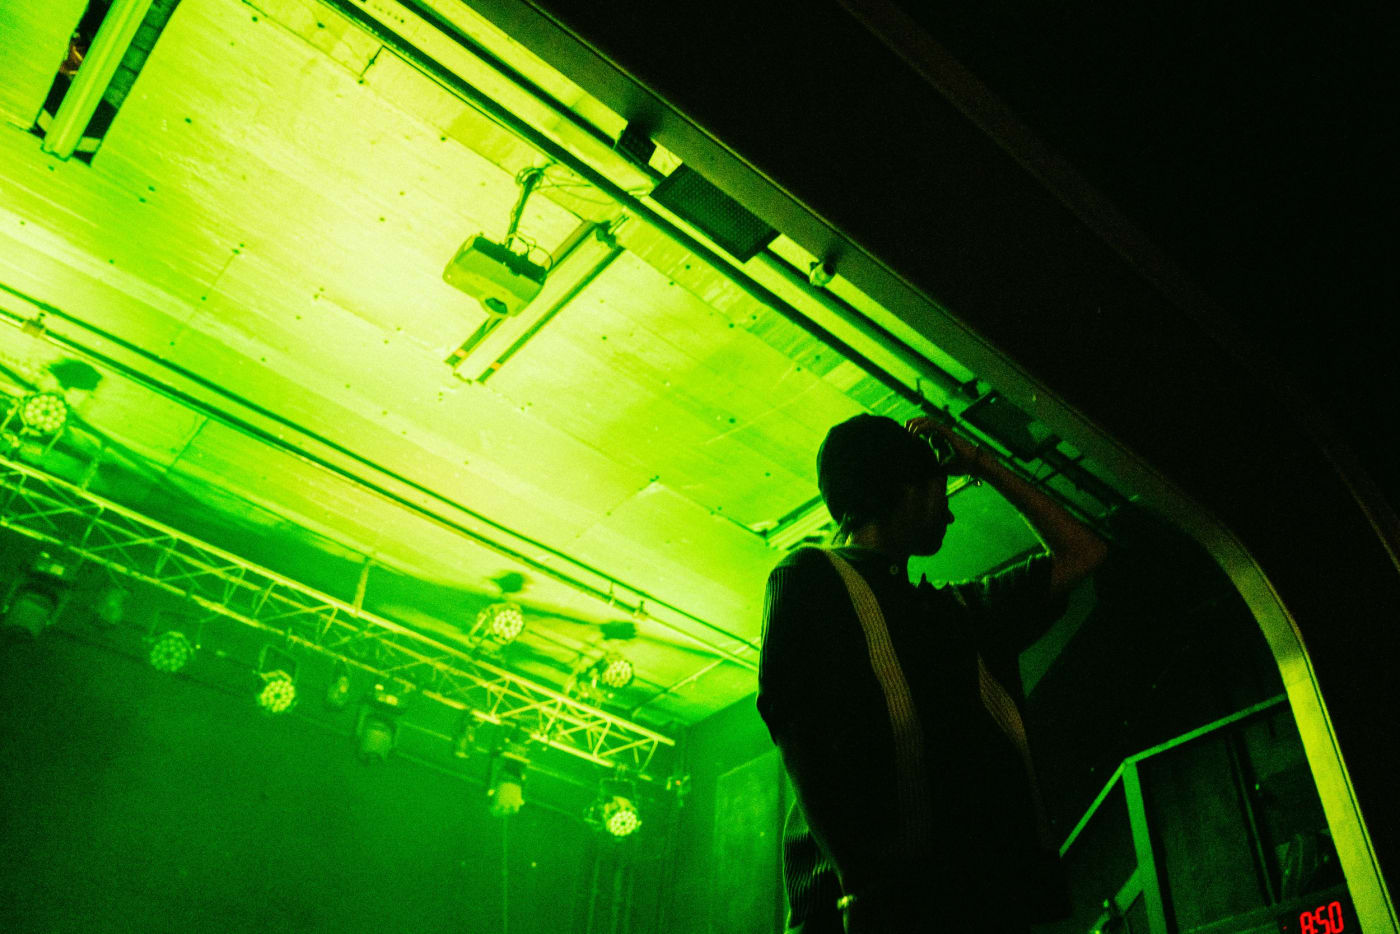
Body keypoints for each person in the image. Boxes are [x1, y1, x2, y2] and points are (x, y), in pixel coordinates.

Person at [758, 413, 1107, 933]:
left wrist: (981, 462)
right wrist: (858, 888)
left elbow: (1084, 553)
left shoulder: (961, 613)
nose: (949, 517)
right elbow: (797, 730)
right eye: (940, 492)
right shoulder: (809, 576)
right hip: (866, 913)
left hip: (964, 905)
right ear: (906, 490)